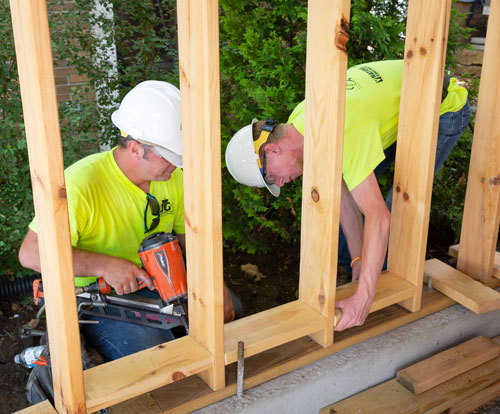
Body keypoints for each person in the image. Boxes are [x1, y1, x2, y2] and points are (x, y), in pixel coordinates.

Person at [225, 60, 470, 332]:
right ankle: (354, 273)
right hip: (394, 108)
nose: (280, 183)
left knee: (397, 207)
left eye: (272, 177)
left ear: (272, 151)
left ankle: (370, 301)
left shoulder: (342, 133)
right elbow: (341, 190)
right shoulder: (301, 123)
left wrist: (364, 296)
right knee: (354, 195)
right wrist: (358, 258)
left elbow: (379, 217)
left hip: (442, 108)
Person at [19, 80, 242, 361]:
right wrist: (106, 265)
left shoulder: (173, 176)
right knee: (155, 351)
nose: (177, 164)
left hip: (161, 282)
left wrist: (214, 283)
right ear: (136, 148)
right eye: (170, 156)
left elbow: (192, 236)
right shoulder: (80, 184)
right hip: (99, 299)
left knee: (230, 312)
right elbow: (30, 254)